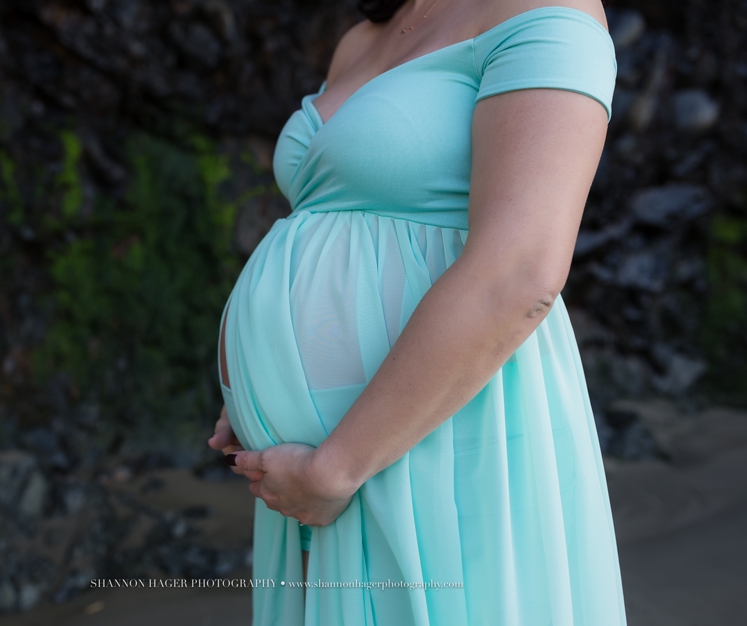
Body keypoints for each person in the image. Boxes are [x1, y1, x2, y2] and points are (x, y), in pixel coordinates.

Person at [208, 0, 626, 623]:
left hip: (428, 437)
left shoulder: (548, 12)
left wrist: (336, 466)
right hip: (318, 464)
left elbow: (521, 272)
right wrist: (261, 371)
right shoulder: (363, 36)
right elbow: (327, 217)